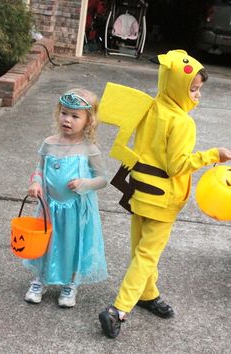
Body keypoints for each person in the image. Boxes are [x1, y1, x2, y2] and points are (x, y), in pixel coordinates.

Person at [97, 49, 231, 338]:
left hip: (138, 190)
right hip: (162, 199)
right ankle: (118, 310)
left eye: (198, 90)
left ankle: (148, 295)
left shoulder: (152, 107)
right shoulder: (183, 122)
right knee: (147, 255)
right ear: (177, 87)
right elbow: (177, 166)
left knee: (140, 251)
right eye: (193, 90)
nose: (197, 96)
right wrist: (213, 155)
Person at [24, 88, 108, 307]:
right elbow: (39, 168)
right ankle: (40, 279)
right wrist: (35, 182)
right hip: (49, 207)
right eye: (64, 113)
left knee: (72, 245)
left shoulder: (89, 149)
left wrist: (85, 183)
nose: (67, 119)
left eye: (75, 116)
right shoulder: (49, 143)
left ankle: (70, 284)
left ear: (89, 121)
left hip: (75, 210)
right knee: (47, 242)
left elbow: (102, 179)